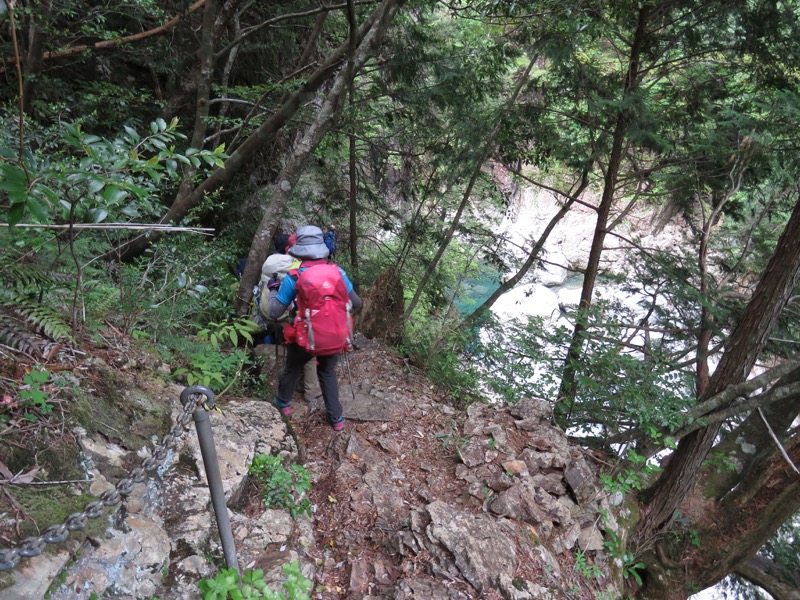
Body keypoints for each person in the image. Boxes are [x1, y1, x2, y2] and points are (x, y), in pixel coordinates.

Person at [267, 225, 361, 431]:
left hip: (306, 338)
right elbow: (357, 302)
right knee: (327, 372)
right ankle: (337, 419)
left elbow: (274, 313)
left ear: (299, 249)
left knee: (292, 369)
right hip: (335, 336)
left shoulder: (295, 277)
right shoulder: (338, 272)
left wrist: (273, 291)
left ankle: (283, 405)